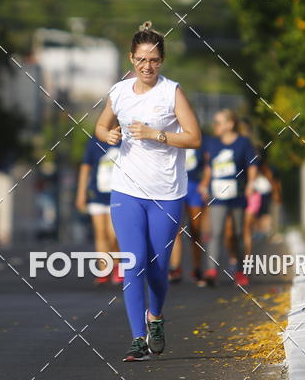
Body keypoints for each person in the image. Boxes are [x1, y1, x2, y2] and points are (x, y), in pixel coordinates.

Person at [95, 21, 202, 362]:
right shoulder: (119, 91)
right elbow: (101, 124)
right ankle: (138, 339)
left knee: (157, 266)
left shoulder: (172, 92)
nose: (147, 66)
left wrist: (157, 134)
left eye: (154, 60)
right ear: (131, 59)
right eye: (141, 59)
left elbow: (194, 137)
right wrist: (107, 136)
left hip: (167, 193)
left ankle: (155, 316)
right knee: (134, 263)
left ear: (162, 60)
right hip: (126, 190)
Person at [199, 109, 258, 287]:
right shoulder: (213, 144)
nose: (215, 126)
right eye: (215, 123)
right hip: (217, 193)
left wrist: (251, 184)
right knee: (216, 232)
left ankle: (240, 271)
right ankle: (211, 271)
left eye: (218, 122)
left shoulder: (243, 143)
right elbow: (210, 167)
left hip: (238, 193)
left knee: (238, 233)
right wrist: (204, 184)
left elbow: (252, 165)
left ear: (230, 124)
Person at [76, 137, 121, 285]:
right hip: (97, 194)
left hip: (118, 194)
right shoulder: (95, 142)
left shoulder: (125, 140)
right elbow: (86, 167)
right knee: (100, 233)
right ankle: (104, 270)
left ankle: (117, 265)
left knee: (113, 234)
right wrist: (81, 193)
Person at [168, 138, 208, 284]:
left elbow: (208, 164)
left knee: (195, 231)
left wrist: (205, 183)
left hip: (194, 188)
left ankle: (197, 269)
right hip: (176, 187)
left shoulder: (198, 139)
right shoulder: (171, 136)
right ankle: (175, 267)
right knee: (175, 229)